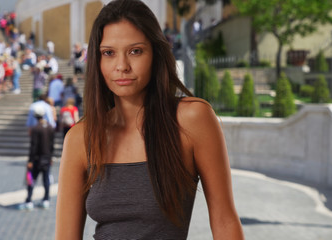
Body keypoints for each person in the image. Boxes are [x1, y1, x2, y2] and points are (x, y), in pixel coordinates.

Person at [55, 1, 244, 239]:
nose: (122, 66)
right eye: (109, 53)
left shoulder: (192, 120)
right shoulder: (81, 138)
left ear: (155, 53)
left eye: (135, 51)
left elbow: (225, 222)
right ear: (97, 60)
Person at [18, 104, 55, 210]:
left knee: (31, 179)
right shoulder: (50, 128)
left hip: (37, 159)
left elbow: (33, 146)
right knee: (46, 179)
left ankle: (29, 200)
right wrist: (51, 157)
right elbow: (52, 145)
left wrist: (30, 160)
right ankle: (46, 199)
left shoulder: (35, 129)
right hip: (47, 158)